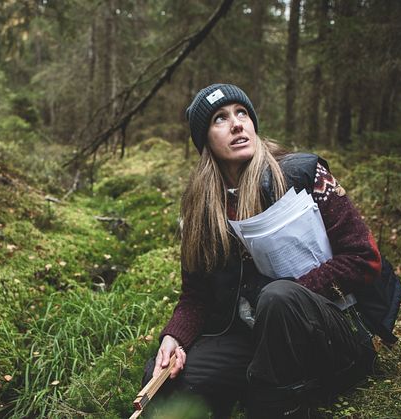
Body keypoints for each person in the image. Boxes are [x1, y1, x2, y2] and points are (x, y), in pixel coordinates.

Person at [142, 84, 382, 418]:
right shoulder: (202, 207)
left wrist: (290, 290)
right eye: (220, 119)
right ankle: (268, 386)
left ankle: (279, 403)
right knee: (168, 380)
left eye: (242, 113)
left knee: (278, 297)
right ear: (205, 141)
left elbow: (363, 258)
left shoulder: (303, 173)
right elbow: (195, 297)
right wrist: (175, 337)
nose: (237, 124)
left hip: (331, 332)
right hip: (252, 340)